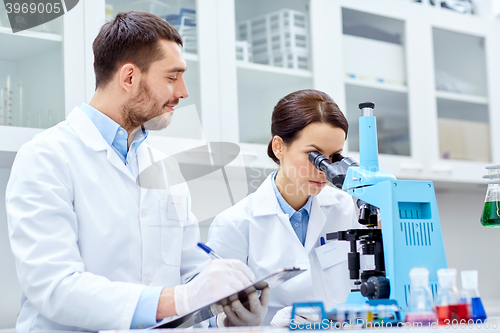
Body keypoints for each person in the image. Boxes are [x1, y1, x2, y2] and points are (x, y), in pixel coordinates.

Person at [6, 11, 268, 332]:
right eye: (172, 78)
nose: (183, 92)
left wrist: (227, 311)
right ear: (129, 78)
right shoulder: (46, 157)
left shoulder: (166, 170)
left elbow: (188, 272)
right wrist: (179, 300)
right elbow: (55, 286)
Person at [207, 89, 362, 326]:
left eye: (334, 158)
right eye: (314, 155)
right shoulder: (235, 224)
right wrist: (268, 326)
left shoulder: (346, 209)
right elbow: (212, 318)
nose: (325, 170)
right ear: (279, 147)